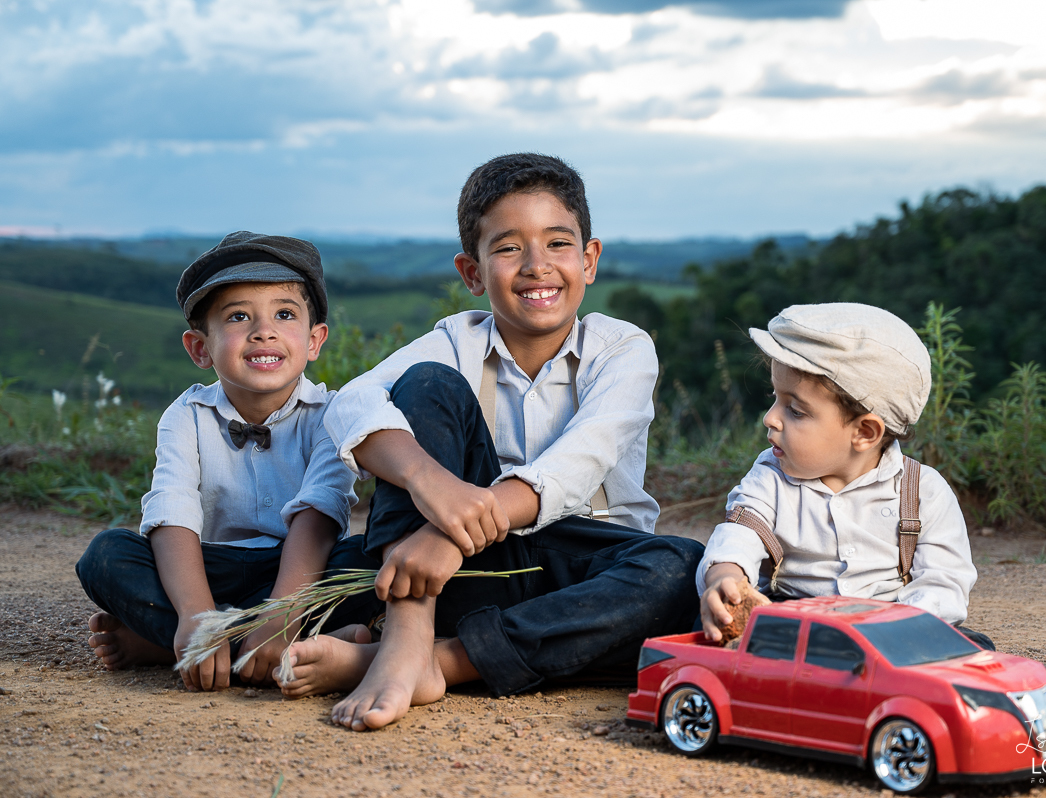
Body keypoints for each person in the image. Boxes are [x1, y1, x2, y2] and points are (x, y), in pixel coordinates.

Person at [280, 153, 703, 730]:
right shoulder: (457, 340)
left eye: (558, 243)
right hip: (459, 569)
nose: (536, 265)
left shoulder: (623, 349)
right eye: (508, 248)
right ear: (472, 272)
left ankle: (431, 661)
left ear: (590, 259)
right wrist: (432, 487)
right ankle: (407, 631)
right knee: (424, 391)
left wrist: (443, 537)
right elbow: (353, 400)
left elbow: (577, 466)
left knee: (679, 571)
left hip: (581, 568)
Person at [75, 232, 381, 691]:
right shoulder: (185, 416)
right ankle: (255, 649)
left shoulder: (333, 415)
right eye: (239, 316)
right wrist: (198, 615)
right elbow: (172, 510)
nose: (264, 330)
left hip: (297, 574)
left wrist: (281, 614)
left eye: (284, 314)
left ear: (314, 340)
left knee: (371, 559)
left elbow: (319, 512)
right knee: (107, 555)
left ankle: (173, 648)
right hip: (204, 573)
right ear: (201, 348)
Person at [698, 303, 993, 650]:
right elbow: (740, 533)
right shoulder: (770, 477)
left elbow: (944, 583)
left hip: (890, 630)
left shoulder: (923, 492)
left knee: (972, 646)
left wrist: (894, 631)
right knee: (717, 629)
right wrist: (726, 575)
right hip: (795, 624)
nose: (770, 418)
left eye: (795, 410)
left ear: (865, 432)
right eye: (774, 398)